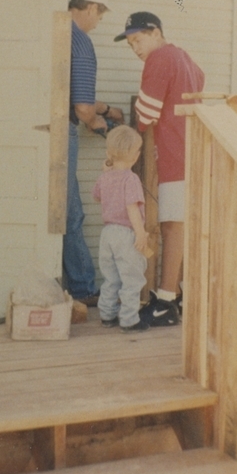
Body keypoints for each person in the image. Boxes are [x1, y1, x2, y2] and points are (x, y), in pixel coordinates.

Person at [114, 11, 205, 326]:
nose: (136, 48)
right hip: (193, 153)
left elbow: (145, 115)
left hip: (175, 156)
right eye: (130, 44)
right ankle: (175, 295)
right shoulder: (186, 59)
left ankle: (166, 302)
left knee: (172, 226)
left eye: (138, 39)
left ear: (155, 32)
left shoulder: (159, 59)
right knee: (179, 226)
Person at [65, 0, 124, 305]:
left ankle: (78, 284)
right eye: (99, 15)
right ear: (89, 8)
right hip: (64, 134)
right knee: (71, 212)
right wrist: (95, 120)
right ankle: (83, 288)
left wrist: (101, 109)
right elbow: (82, 108)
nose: (98, 22)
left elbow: (78, 96)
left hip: (49, 129)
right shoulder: (82, 42)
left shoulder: (59, 36)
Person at [92, 125, 150, 333]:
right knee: (132, 278)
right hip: (126, 233)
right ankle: (129, 319)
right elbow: (131, 207)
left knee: (111, 277)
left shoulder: (104, 177)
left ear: (109, 152)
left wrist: (106, 172)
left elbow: (97, 196)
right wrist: (141, 233)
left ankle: (107, 314)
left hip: (107, 234)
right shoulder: (131, 179)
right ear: (135, 156)